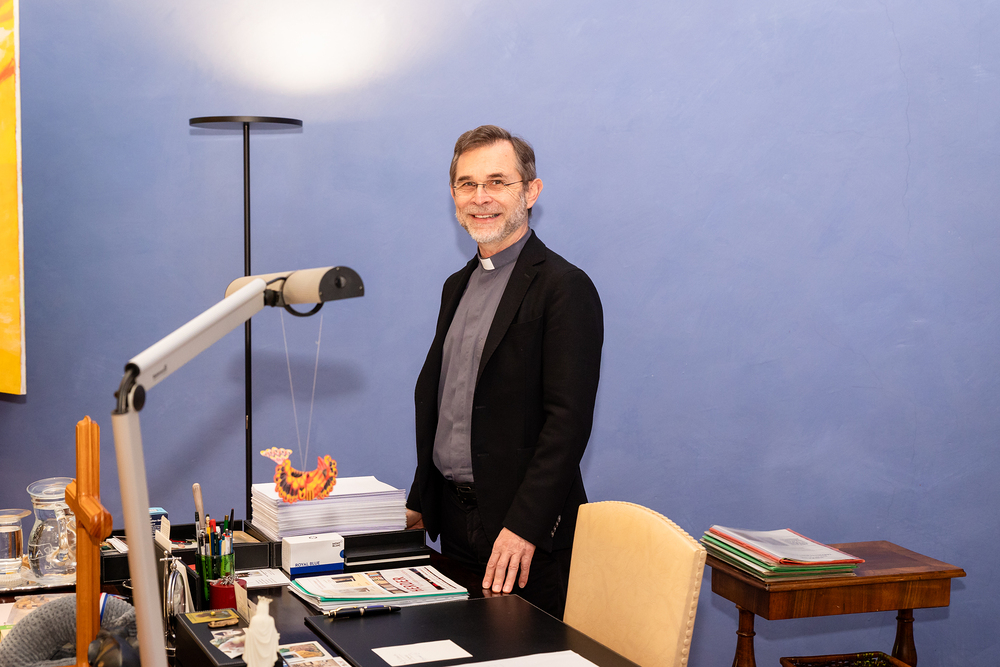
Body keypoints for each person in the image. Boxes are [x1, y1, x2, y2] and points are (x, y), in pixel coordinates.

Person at [405, 125, 603, 618]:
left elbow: (567, 423)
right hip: (452, 524)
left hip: (524, 538)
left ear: (531, 191)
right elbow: (448, 404)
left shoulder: (564, 287)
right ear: (453, 195)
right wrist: (420, 499)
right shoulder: (456, 286)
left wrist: (524, 529)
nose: (481, 197)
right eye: (467, 184)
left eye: (497, 182)